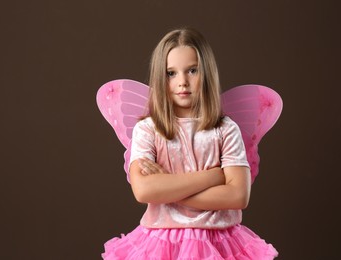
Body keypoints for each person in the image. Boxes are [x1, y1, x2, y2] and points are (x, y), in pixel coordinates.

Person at [101, 28, 278, 259]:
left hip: (220, 242)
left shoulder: (225, 129)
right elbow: (144, 190)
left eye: (192, 71)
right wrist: (214, 177)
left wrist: (166, 188)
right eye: (171, 73)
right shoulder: (148, 130)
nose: (182, 82)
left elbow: (238, 196)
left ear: (207, 73)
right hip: (161, 243)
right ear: (159, 77)